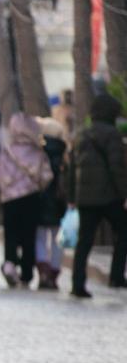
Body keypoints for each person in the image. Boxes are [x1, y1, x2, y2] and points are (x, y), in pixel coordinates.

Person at [67, 93, 127, 298]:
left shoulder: (81, 134)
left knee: (84, 240)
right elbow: (116, 168)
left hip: (85, 198)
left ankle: (77, 284)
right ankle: (117, 276)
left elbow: (72, 168)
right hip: (109, 197)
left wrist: (71, 196)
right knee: (123, 231)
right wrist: (124, 193)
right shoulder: (112, 135)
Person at [0, 112, 53, 288]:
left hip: (9, 199)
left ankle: (10, 264)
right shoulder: (37, 151)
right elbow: (46, 175)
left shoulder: (7, 151)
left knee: (10, 234)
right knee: (29, 235)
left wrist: (7, 189)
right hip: (31, 197)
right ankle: (27, 272)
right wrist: (37, 185)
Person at [36, 117, 69, 290]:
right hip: (58, 201)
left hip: (40, 199)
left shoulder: (38, 151)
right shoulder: (64, 153)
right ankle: (54, 273)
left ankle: (43, 271)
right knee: (58, 239)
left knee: (40, 237)